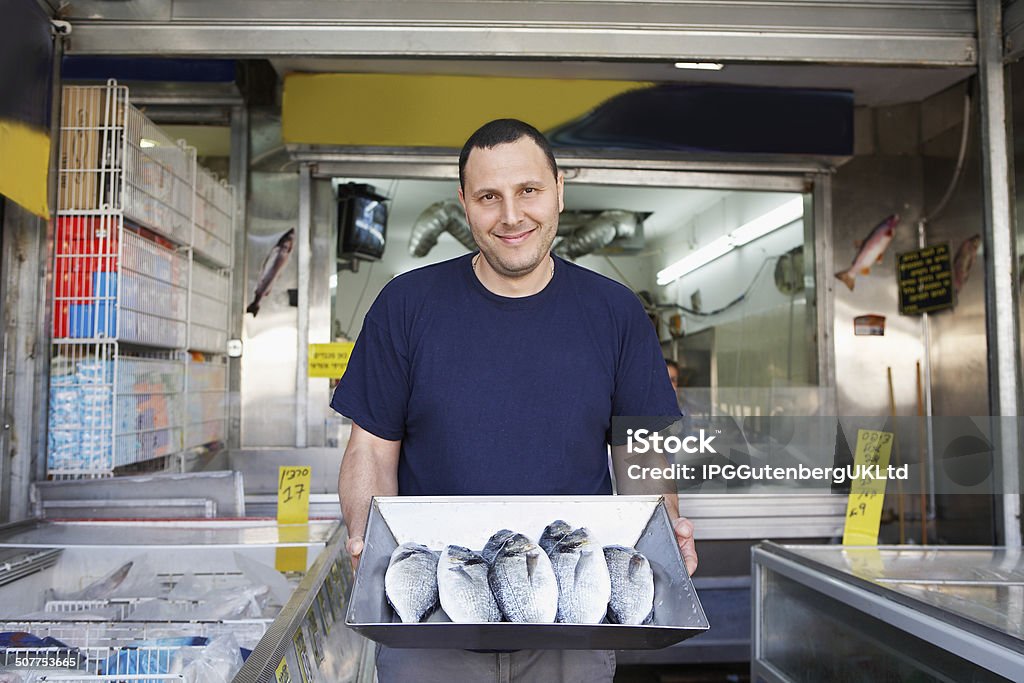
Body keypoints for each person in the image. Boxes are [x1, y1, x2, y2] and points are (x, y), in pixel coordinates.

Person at [332, 118, 697, 683]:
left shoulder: (615, 312)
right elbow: (371, 449)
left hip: (571, 610)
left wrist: (664, 528)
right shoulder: (406, 305)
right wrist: (364, 533)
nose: (510, 215)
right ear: (463, 203)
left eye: (529, 190)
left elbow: (639, 455)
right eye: (488, 197)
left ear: (558, 191)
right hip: (432, 619)